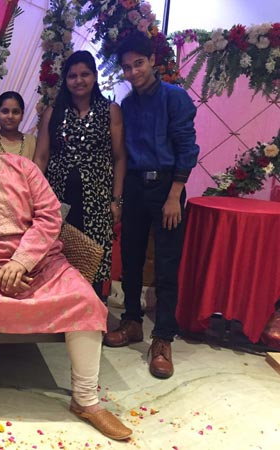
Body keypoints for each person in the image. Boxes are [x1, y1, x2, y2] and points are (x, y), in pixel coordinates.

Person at [0, 115, 132, 441]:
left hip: (40, 261)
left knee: (85, 299)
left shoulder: (23, 169)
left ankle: (86, 400)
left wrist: (20, 262)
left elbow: (49, 216)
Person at [103, 33, 199, 379]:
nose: (133, 72)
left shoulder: (174, 97)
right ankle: (132, 321)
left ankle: (163, 338)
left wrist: (174, 194)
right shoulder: (127, 105)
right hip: (135, 186)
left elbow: (187, 147)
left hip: (167, 187)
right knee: (130, 257)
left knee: (167, 264)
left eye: (139, 64)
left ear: (153, 61)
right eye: (127, 67)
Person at [34, 50, 126, 299]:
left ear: (95, 76)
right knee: (58, 255)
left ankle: (92, 312)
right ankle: (60, 311)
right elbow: (41, 156)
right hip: (58, 198)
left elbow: (119, 158)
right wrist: (35, 198)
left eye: (85, 74)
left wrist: (117, 200)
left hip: (97, 199)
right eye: (72, 76)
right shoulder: (54, 112)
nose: (79, 80)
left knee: (93, 258)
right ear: (66, 80)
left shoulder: (110, 110)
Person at [0, 91, 36, 160]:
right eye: (5, 111)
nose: (10, 116)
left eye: (15, 112)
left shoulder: (32, 142)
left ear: (22, 115)